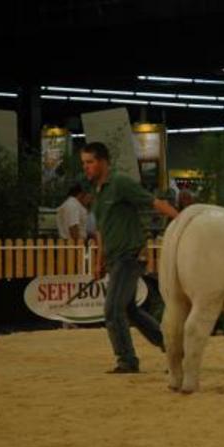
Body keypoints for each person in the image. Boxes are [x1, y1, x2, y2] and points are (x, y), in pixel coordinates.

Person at [82, 142, 179, 374]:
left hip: (130, 257)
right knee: (129, 310)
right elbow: (101, 232)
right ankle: (174, 349)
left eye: (90, 162)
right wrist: (99, 262)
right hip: (116, 259)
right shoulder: (98, 192)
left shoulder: (120, 184)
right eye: (84, 163)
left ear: (104, 162)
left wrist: (182, 220)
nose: (86, 167)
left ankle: (127, 361)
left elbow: (154, 203)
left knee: (112, 310)